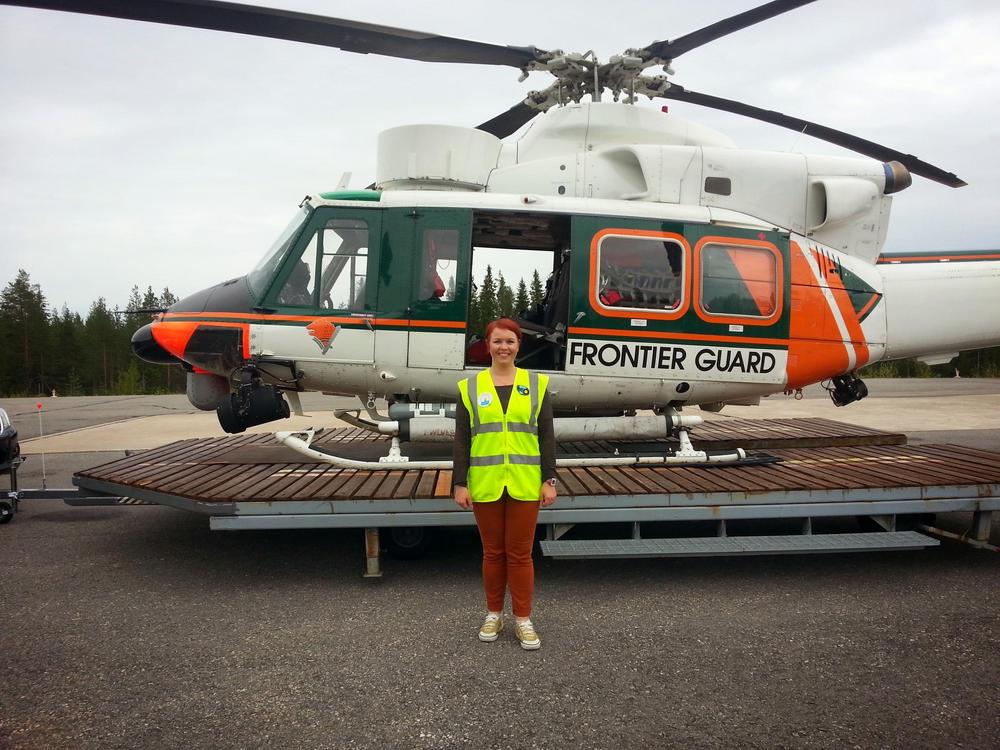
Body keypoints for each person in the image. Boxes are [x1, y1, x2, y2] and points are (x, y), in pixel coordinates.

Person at [454, 317, 557, 650]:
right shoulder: (469, 387)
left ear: (518, 345)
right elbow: (462, 439)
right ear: (487, 346)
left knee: (521, 555)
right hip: (485, 483)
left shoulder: (536, 384)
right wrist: (459, 483)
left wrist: (549, 479)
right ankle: (493, 614)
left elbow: (546, 436)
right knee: (493, 553)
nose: (503, 347)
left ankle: (523, 620)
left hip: (525, 483)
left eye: (510, 341)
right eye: (497, 341)